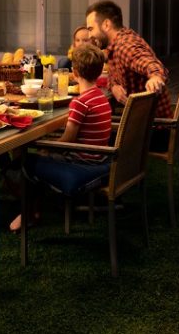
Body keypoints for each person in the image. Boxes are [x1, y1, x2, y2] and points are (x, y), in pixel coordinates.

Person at [9, 43, 113, 231]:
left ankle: (28, 212)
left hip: (81, 160)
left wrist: (46, 146)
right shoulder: (101, 96)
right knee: (42, 155)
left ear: (74, 72)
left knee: (28, 160)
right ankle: (36, 209)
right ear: (99, 72)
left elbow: (68, 140)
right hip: (99, 157)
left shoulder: (80, 103)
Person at [85, 0, 172, 120]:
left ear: (106, 24)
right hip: (142, 122)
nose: (89, 36)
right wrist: (114, 87)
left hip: (152, 129)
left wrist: (155, 77)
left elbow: (150, 64)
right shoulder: (118, 42)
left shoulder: (124, 46)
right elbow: (112, 74)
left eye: (90, 29)